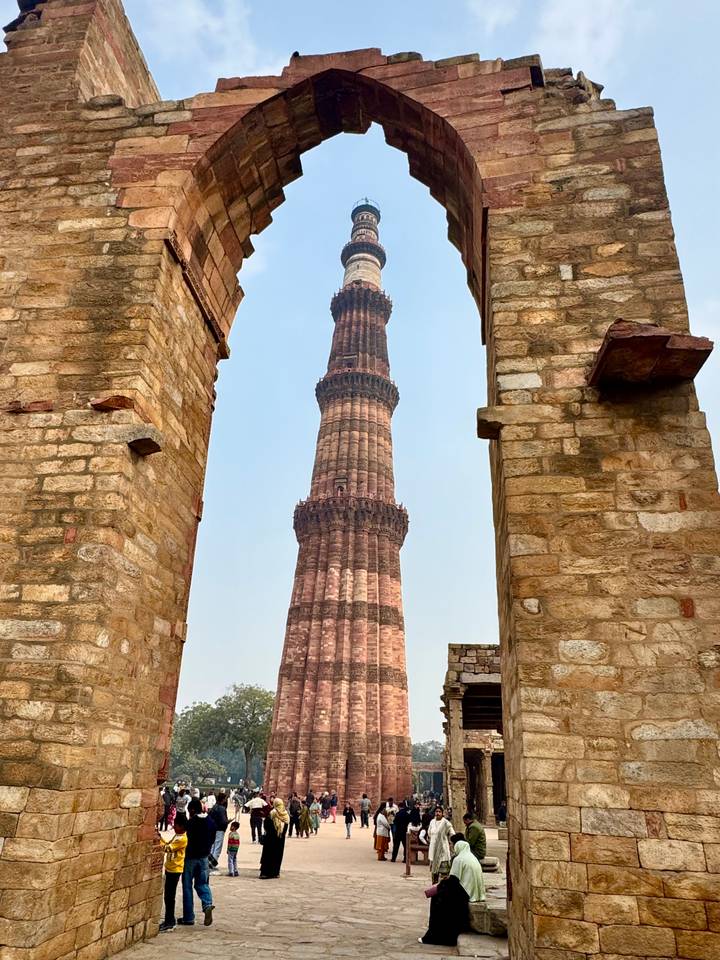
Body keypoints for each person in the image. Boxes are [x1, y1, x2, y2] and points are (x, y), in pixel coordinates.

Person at [418, 840, 485, 947]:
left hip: (464, 892)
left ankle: (435, 934)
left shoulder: (459, 859)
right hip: (474, 892)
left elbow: (453, 879)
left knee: (437, 899)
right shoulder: (472, 857)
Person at [180, 798, 215, 926]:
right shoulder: (211, 822)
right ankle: (207, 905)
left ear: (193, 810)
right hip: (204, 858)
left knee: (187, 886)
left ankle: (188, 917)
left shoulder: (191, 822)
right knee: (202, 883)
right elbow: (212, 839)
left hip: (190, 858)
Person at [159, 813, 187, 931]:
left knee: (170, 896)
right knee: (168, 896)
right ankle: (168, 919)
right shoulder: (177, 836)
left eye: (176, 825)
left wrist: (159, 841)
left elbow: (168, 848)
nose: (174, 827)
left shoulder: (182, 839)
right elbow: (167, 844)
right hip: (170, 867)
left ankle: (170, 921)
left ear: (181, 826)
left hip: (175, 869)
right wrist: (160, 838)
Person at [259, 798, 289, 879]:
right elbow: (286, 828)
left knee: (268, 855)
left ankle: (265, 873)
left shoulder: (272, 814)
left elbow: (266, 825)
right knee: (277, 856)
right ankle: (275, 872)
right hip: (280, 840)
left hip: (270, 839)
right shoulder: (285, 815)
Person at [428, 805, 454, 884]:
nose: (437, 813)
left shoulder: (446, 823)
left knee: (444, 873)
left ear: (442, 813)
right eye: (436, 811)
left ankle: (444, 889)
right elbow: (429, 833)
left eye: (439, 812)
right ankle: (434, 889)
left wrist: (450, 843)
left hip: (443, 850)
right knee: (434, 873)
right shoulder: (432, 822)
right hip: (433, 849)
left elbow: (452, 834)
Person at [208, 795, 229, 869]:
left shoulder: (214, 807)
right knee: (217, 848)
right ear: (223, 800)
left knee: (212, 847)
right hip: (220, 829)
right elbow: (223, 821)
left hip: (213, 829)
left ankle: (210, 863)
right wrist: (227, 822)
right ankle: (212, 865)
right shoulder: (222, 809)